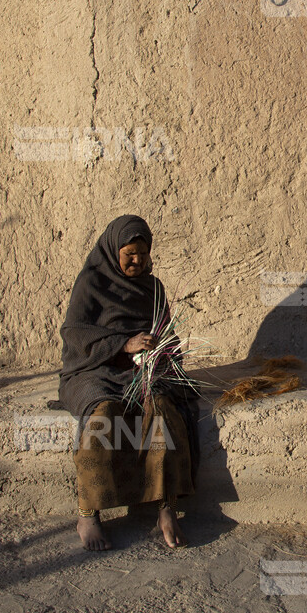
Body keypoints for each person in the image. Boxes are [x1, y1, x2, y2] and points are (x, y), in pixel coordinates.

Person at [58, 215, 199, 551]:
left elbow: (168, 335)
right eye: (129, 254)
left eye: (143, 254)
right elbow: (75, 333)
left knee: (163, 411)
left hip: (141, 372)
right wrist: (123, 344)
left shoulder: (154, 288)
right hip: (97, 370)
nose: (137, 261)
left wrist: (160, 355)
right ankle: (88, 512)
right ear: (113, 251)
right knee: (104, 414)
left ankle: (166, 508)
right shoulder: (92, 282)